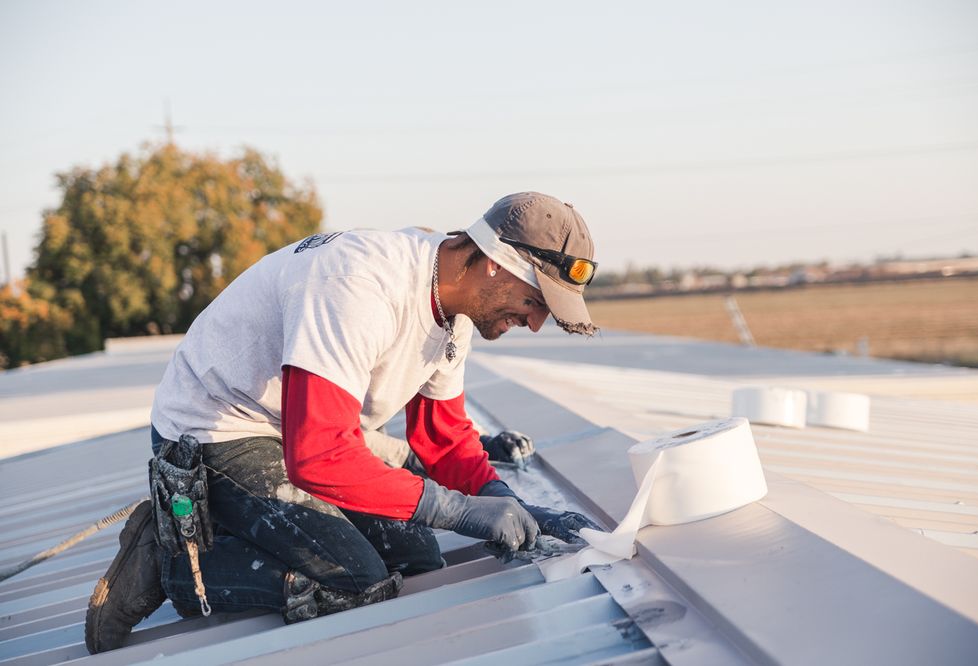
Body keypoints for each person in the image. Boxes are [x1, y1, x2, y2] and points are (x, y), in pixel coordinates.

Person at [85, 192, 602, 653]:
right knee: (356, 580)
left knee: (418, 557)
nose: (534, 322)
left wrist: (505, 501)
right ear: (494, 263)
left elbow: (443, 439)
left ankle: (240, 522)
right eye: (534, 301)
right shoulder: (360, 284)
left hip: (297, 430)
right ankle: (172, 563)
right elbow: (318, 456)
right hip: (217, 426)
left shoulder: (457, 309)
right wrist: (460, 510)